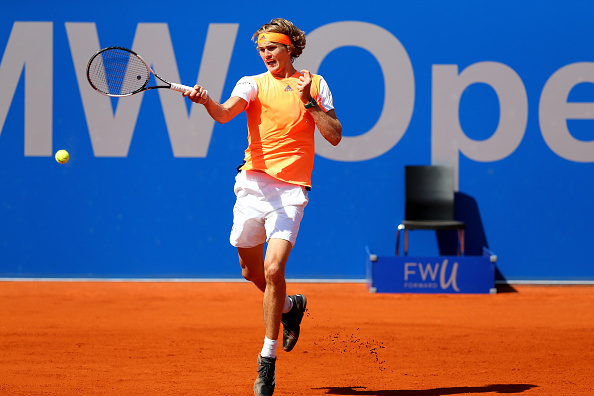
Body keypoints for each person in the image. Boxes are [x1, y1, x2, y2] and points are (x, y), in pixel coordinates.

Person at [183, 18, 342, 396]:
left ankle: (266, 362)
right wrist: (207, 101)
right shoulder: (252, 83)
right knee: (250, 271)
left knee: (274, 268)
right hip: (253, 185)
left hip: (291, 192)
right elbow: (224, 113)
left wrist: (307, 100)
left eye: (272, 47)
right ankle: (290, 307)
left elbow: (334, 136)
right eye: (261, 50)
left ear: (290, 48)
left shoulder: (315, 84)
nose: (266, 54)